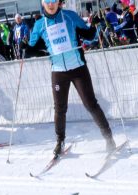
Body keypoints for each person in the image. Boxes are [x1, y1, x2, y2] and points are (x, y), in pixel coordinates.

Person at [24, 0, 116, 156]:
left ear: (58, 2)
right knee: (60, 108)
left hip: (78, 68)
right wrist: (25, 48)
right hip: (58, 71)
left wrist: (94, 25)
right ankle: (60, 142)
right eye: (47, 1)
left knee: (90, 104)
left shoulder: (70, 16)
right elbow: (33, 50)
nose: (51, 4)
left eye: (54, 1)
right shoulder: (40, 24)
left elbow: (89, 35)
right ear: (43, 3)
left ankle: (109, 139)